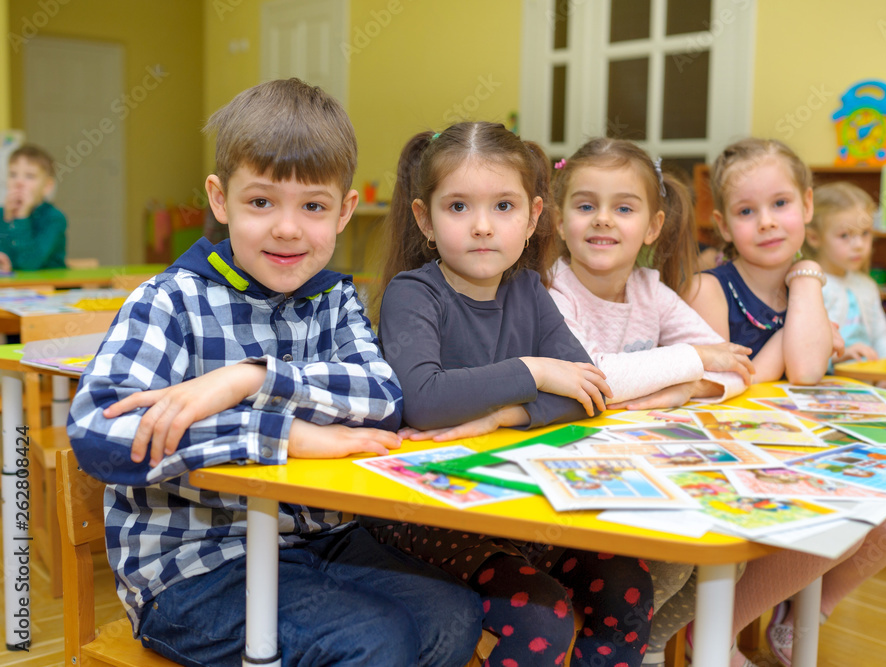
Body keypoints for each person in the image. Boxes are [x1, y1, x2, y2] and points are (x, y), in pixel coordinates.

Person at [66, 78, 483, 667]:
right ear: (219, 199)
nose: (287, 228)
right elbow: (98, 436)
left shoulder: (335, 300)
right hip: (194, 569)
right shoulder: (170, 302)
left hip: (321, 540)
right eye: (261, 202)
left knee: (452, 614)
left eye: (312, 206)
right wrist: (281, 436)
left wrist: (255, 378)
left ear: (343, 212)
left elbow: (384, 397)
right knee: (375, 639)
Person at [365, 121, 653, 667]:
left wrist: (503, 416)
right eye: (457, 208)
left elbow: (589, 389)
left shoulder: (528, 290)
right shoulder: (413, 294)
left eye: (503, 207)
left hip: (522, 508)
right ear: (425, 219)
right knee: (540, 615)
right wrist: (534, 369)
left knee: (626, 579)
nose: (481, 227)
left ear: (533, 217)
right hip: (430, 518)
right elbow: (423, 400)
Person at [684, 138, 886, 667]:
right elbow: (728, 395)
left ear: (807, 206)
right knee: (847, 519)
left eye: (780, 204)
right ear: (722, 225)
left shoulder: (806, 288)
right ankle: (715, 632)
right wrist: (809, 273)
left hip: (795, 455)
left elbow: (808, 374)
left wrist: (805, 279)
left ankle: (798, 621)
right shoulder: (709, 289)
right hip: (726, 462)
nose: (766, 222)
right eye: (747, 211)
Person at [545, 137, 754, 666]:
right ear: (557, 218)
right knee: (667, 562)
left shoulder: (651, 289)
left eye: (623, 208)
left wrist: (688, 387)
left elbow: (736, 369)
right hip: (566, 480)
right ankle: (618, 642)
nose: (603, 221)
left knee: (714, 557)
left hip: (637, 467)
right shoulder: (552, 290)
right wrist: (691, 360)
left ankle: (645, 646)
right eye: (586, 205)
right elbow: (595, 378)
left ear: (653, 227)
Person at [802, 182, 886, 390]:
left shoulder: (866, 285)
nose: (858, 244)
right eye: (845, 235)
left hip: (867, 385)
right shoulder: (808, 284)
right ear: (813, 237)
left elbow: (881, 335)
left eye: (865, 233)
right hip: (823, 384)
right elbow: (802, 346)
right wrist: (836, 357)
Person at [0, 143, 66, 271]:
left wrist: (21, 218)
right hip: (13, 288)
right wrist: (7, 220)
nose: (19, 182)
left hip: (53, 287)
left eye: (29, 176)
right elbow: (4, 259)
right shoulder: (2, 214)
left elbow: (30, 264)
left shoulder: (54, 218)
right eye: (13, 174)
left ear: (47, 186)